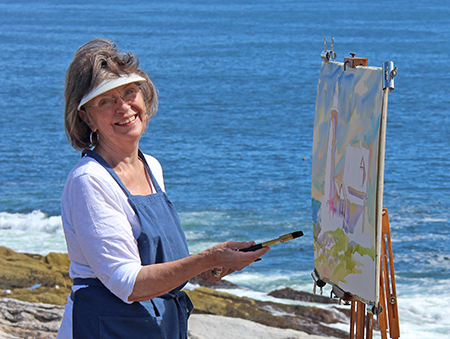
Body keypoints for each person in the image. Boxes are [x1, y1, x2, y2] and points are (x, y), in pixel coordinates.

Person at [56, 38, 269, 339]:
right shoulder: (89, 180)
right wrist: (207, 258)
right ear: (86, 117)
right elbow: (128, 283)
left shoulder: (151, 166)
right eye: (105, 100)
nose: (124, 107)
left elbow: (156, 267)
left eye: (130, 91)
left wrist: (207, 267)